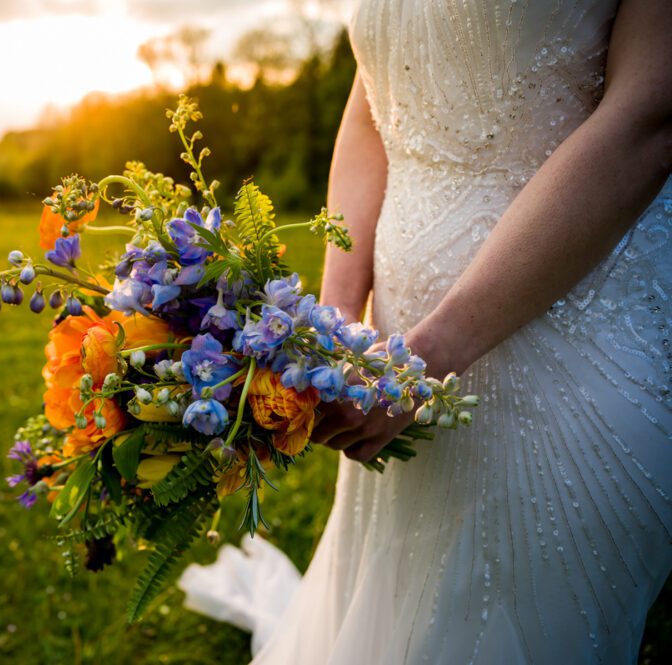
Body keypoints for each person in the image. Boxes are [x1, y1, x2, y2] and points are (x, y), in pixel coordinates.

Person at [180, 1, 672, 662]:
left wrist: (425, 360)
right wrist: (333, 328)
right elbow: (373, 100)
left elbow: (649, 117)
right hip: (385, 352)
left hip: (568, 341)